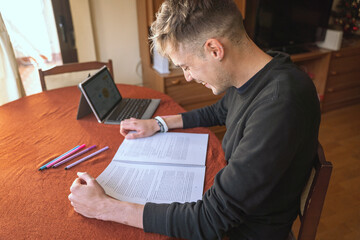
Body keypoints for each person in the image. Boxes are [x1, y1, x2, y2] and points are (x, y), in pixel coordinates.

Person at [68, 0, 321, 239]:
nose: (187, 76)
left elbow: (209, 219)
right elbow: (221, 110)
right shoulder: (259, 72)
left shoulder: (279, 105)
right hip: (234, 207)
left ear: (214, 49)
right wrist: (159, 124)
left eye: (186, 66)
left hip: (245, 231)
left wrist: (104, 207)